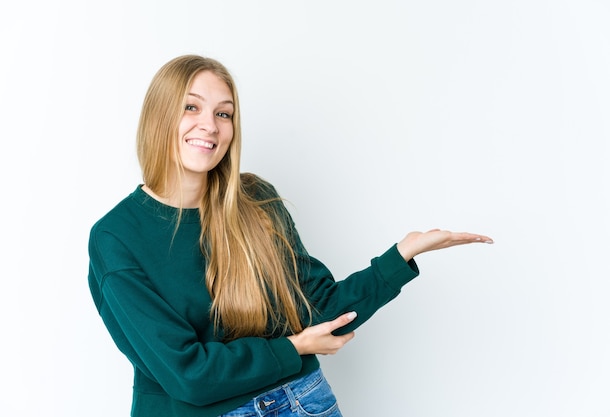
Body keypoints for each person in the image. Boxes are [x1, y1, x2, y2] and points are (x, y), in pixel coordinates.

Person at [87, 54, 493, 417]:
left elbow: (317, 310)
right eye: (191, 107)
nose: (209, 126)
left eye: (224, 114)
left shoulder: (255, 199)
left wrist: (400, 257)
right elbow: (188, 374)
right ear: (159, 115)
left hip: (302, 400)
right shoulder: (117, 237)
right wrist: (292, 349)